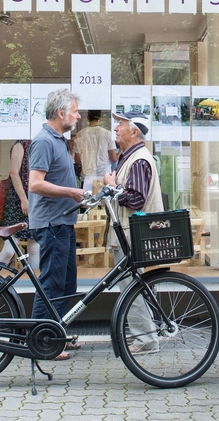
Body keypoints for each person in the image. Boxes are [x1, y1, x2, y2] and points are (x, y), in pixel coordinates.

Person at [28, 89, 85, 360]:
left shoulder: (60, 141)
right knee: (51, 285)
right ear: (61, 114)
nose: (79, 115)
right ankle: (42, 342)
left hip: (64, 222)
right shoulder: (43, 141)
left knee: (67, 285)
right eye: (75, 111)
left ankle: (56, 332)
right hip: (52, 224)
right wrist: (71, 192)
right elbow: (35, 184)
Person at [102, 110, 162, 354]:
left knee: (130, 287)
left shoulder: (138, 160)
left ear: (134, 131)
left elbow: (136, 199)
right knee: (135, 285)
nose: (115, 129)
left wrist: (112, 186)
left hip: (131, 234)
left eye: (120, 125)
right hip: (131, 233)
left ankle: (146, 340)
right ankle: (149, 333)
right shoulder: (132, 157)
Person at [0, 142, 40, 268]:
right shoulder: (21, 145)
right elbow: (14, 173)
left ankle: (34, 283)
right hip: (18, 201)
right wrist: (23, 199)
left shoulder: (37, 144)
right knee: (9, 249)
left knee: (34, 247)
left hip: (35, 199)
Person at [75, 110, 117, 193]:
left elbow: (77, 160)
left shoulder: (80, 134)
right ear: (100, 118)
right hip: (104, 175)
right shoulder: (108, 134)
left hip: (87, 176)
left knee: (88, 203)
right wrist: (121, 150)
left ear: (87, 117)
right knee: (103, 203)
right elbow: (113, 159)